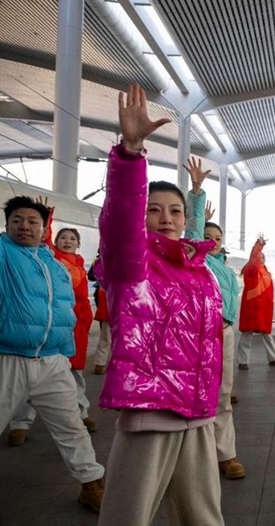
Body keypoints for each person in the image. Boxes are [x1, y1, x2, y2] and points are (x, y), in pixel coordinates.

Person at [96, 84, 224, 525]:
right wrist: (131, 153)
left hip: (197, 410)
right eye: (154, 210)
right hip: (151, 411)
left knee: (204, 517)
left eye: (174, 211)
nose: (165, 218)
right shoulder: (132, 262)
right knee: (127, 516)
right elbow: (120, 221)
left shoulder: (197, 267)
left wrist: (196, 194)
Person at [0, 195, 105, 512]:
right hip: (8, 357)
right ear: (6, 225)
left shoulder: (54, 264)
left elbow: (64, 310)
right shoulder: (3, 253)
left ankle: (90, 484)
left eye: (33, 221)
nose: (24, 226)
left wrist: (65, 353)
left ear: (45, 229)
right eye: (17, 220)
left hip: (52, 361)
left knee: (72, 426)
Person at [9, 208, 98, 442]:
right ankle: (21, 423)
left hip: (76, 326)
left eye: (72, 239)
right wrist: (46, 218)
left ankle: (81, 413)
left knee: (74, 373)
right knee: (32, 376)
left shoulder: (79, 265)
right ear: (54, 240)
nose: (67, 241)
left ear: (78, 244)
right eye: (63, 238)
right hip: (47, 327)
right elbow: (43, 246)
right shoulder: (52, 260)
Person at [184, 157, 247, 480]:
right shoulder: (196, 260)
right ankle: (194, 457)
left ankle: (226, 453)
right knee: (196, 391)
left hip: (226, 332)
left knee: (223, 394)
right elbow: (193, 232)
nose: (212, 240)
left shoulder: (223, 266)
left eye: (217, 237)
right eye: (207, 235)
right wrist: (196, 192)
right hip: (198, 334)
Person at [238, 237, 275, 368]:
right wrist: (259, 245)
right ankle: (243, 361)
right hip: (251, 307)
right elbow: (254, 258)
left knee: (266, 333)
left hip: (264, 308)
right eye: (258, 256)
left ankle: (273, 358)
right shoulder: (252, 270)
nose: (260, 258)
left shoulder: (266, 272)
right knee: (247, 334)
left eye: (262, 257)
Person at [89, 256, 112, 375]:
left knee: (106, 336)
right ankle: (101, 363)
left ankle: (101, 363)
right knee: (107, 336)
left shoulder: (101, 261)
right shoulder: (100, 261)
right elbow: (92, 276)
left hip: (110, 303)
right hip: (109, 303)